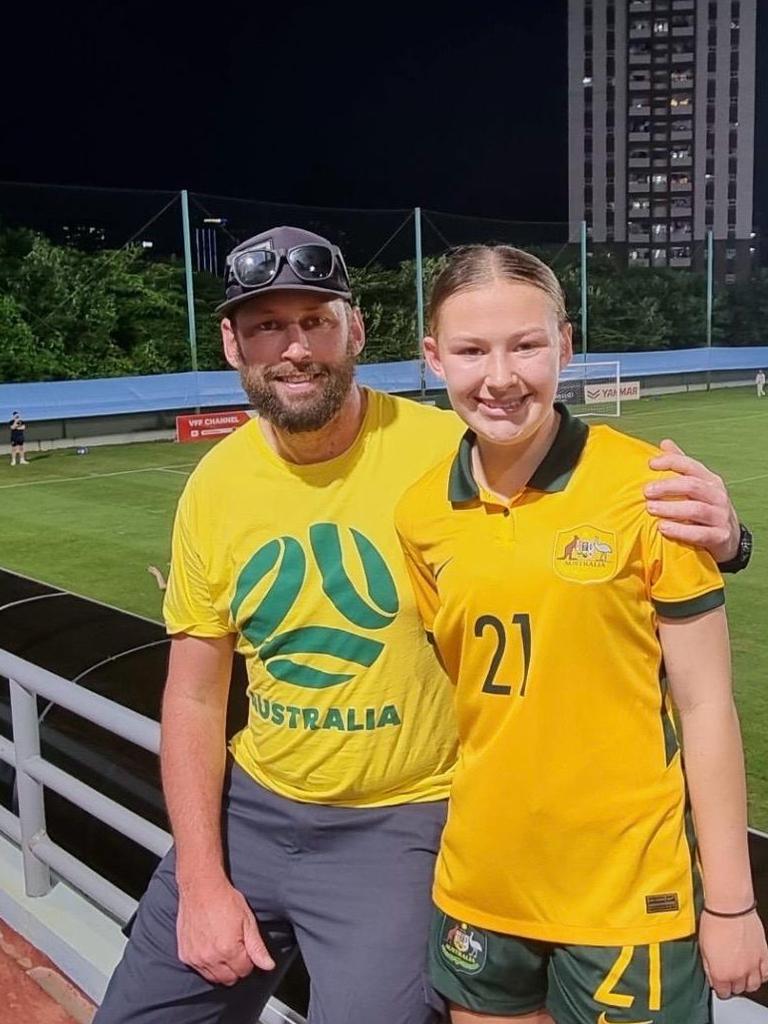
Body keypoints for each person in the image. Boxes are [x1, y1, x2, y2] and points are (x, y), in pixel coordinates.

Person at [94, 227, 751, 1024]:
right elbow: (195, 695)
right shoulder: (217, 486)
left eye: (316, 321)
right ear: (232, 341)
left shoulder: (460, 449)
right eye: (268, 325)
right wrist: (202, 880)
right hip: (254, 809)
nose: (294, 348)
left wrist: (729, 536)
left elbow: (598, 529)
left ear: (358, 331)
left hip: (405, 828)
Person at [394, 244, 767, 1024]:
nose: (500, 377)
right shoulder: (420, 514)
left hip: (627, 895)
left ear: (565, 344)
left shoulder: (654, 493)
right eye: (470, 350)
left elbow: (704, 707)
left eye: (526, 345)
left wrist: (730, 905)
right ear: (433, 359)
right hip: (481, 886)